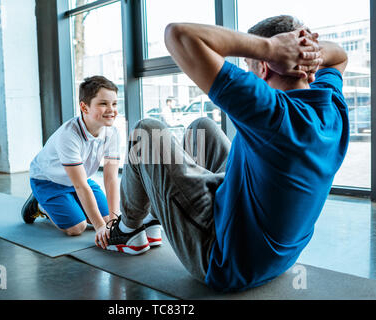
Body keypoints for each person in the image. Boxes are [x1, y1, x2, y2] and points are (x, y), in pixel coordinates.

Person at [104, 15, 349, 292]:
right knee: (202, 128)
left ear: (265, 67)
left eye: (250, 65)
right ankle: (160, 213)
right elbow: (339, 57)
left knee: (147, 133)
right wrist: (307, 50)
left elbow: (179, 35)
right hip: (276, 253)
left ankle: (128, 230)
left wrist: (270, 48)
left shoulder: (271, 111)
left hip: (225, 261)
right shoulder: (331, 108)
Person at [21, 75, 161, 250]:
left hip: (80, 180)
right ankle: (40, 205)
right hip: (49, 181)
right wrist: (100, 228)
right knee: (76, 228)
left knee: (107, 219)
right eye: (103, 104)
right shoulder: (68, 135)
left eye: (114, 104)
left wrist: (113, 221)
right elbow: (80, 186)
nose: (111, 110)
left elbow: (110, 179)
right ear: (84, 107)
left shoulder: (112, 133)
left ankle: (71, 206)